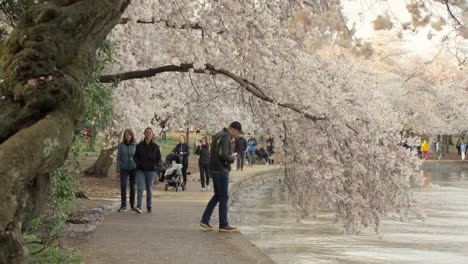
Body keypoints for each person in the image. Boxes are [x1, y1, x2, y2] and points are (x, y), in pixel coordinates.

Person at [200, 121, 242, 232]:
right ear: (233, 130)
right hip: (221, 169)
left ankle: (205, 219)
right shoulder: (226, 137)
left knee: (217, 195)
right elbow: (223, 154)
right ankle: (223, 224)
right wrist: (232, 158)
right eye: (237, 133)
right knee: (224, 197)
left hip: (213, 168)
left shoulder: (218, 134)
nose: (236, 136)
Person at [133, 127, 161, 213]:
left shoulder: (155, 146)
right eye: (147, 132)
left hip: (151, 170)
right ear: (144, 134)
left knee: (149, 189)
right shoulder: (139, 145)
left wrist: (154, 166)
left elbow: (158, 158)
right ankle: (139, 206)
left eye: (150, 132)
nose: (148, 134)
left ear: (152, 134)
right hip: (140, 170)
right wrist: (138, 163)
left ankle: (149, 206)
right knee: (140, 188)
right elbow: (135, 156)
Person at [116, 129, 137, 212]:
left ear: (132, 136)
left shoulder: (135, 145)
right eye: (126, 135)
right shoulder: (121, 145)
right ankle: (123, 205)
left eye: (129, 134)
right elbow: (118, 158)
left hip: (133, 168)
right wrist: (118, 170)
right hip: (124, 168)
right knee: (123, 186)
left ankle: (132, 205)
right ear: (124, 136)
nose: (127, 136)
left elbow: (138, 156)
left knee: (132, 187)